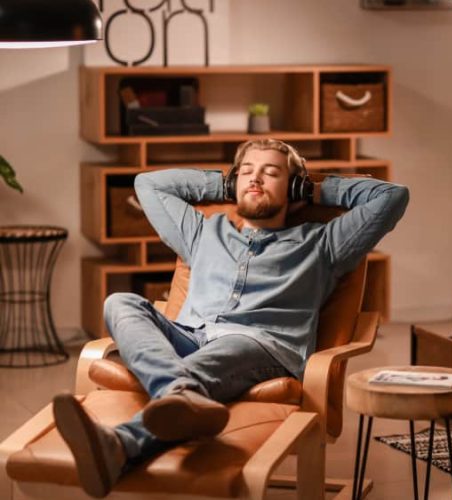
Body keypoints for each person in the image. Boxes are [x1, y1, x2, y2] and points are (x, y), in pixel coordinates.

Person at [52, 139, 409, 498]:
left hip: (261, 344)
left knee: (233, 344)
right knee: (120, 302)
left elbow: (393, 198)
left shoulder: (324, 243)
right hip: (189, 337)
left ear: (294, 188)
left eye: (271, 173)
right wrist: (222, 184)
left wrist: (316, 187)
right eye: (247, 172)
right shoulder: (203, 230)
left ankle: (122, 441)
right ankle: (180, 394)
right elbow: (149, 184)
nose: (255, 180)